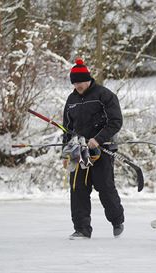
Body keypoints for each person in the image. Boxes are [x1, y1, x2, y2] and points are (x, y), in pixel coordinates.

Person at [62, 58, 125, 239]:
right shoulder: (71, 99)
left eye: (80, 82)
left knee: (104, 186)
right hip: (77, 150)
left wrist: (98, 139)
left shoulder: (104, 95)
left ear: (88, 79)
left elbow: (115, 122)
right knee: (78, 189)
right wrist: (66, 151)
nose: (77, 85)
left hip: (102, 148)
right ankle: (82, 228)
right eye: (74, 82)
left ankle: (116, 219)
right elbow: (67, 128)